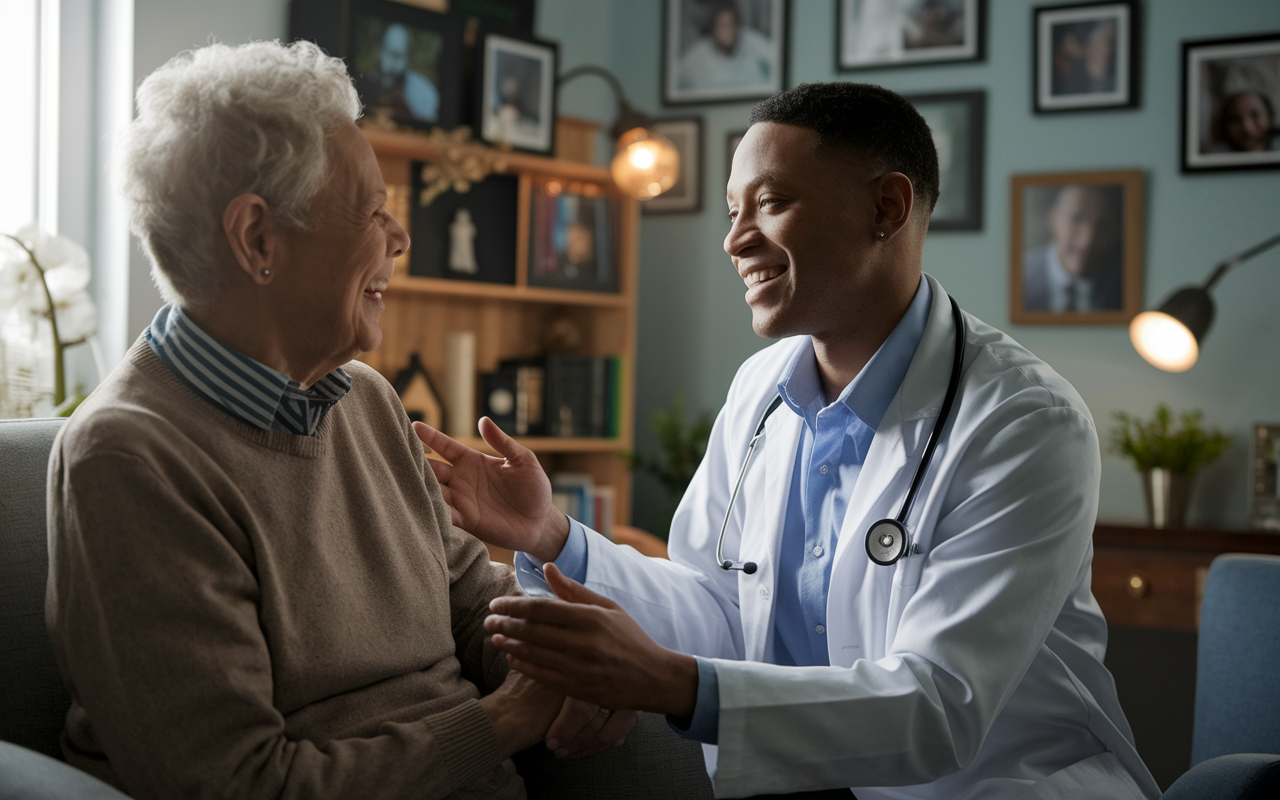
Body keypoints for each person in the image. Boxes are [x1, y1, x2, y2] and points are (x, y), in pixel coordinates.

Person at [416, 83, 1161, 799]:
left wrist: (670, 683)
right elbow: (717, 605)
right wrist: (552, 534)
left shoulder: (1023, 423)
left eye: (770, 203)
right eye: (734, 210)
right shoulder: (761, 390)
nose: (736, 240)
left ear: (886, 207)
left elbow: (939, 705)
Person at [45, 40, 634, 800]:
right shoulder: (129, 457)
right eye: (372, 212)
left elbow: (466, 601)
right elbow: (237, 785)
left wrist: (567, 656)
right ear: (258, 238)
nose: (400, 239)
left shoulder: (363, 397)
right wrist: (508, 720)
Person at [1022, 184, 1124, 313]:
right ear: (1053, 219)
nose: (1087, 241)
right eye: (1076, 219)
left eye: (1102, 225)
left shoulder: (1122, 285)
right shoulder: (1020, 276)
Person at [677, 0, 774, 91]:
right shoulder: (697, 55)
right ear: (714, 29)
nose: (728, 32)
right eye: (723, 26)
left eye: (731, 25)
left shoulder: (751, 41)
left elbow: (777, 58)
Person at [360, 22, 440, 123]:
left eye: (399, 56)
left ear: (407, 59)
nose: (393, 64)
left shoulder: (422, 91)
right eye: (389, 53)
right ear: (379, 51)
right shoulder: (362, 86)